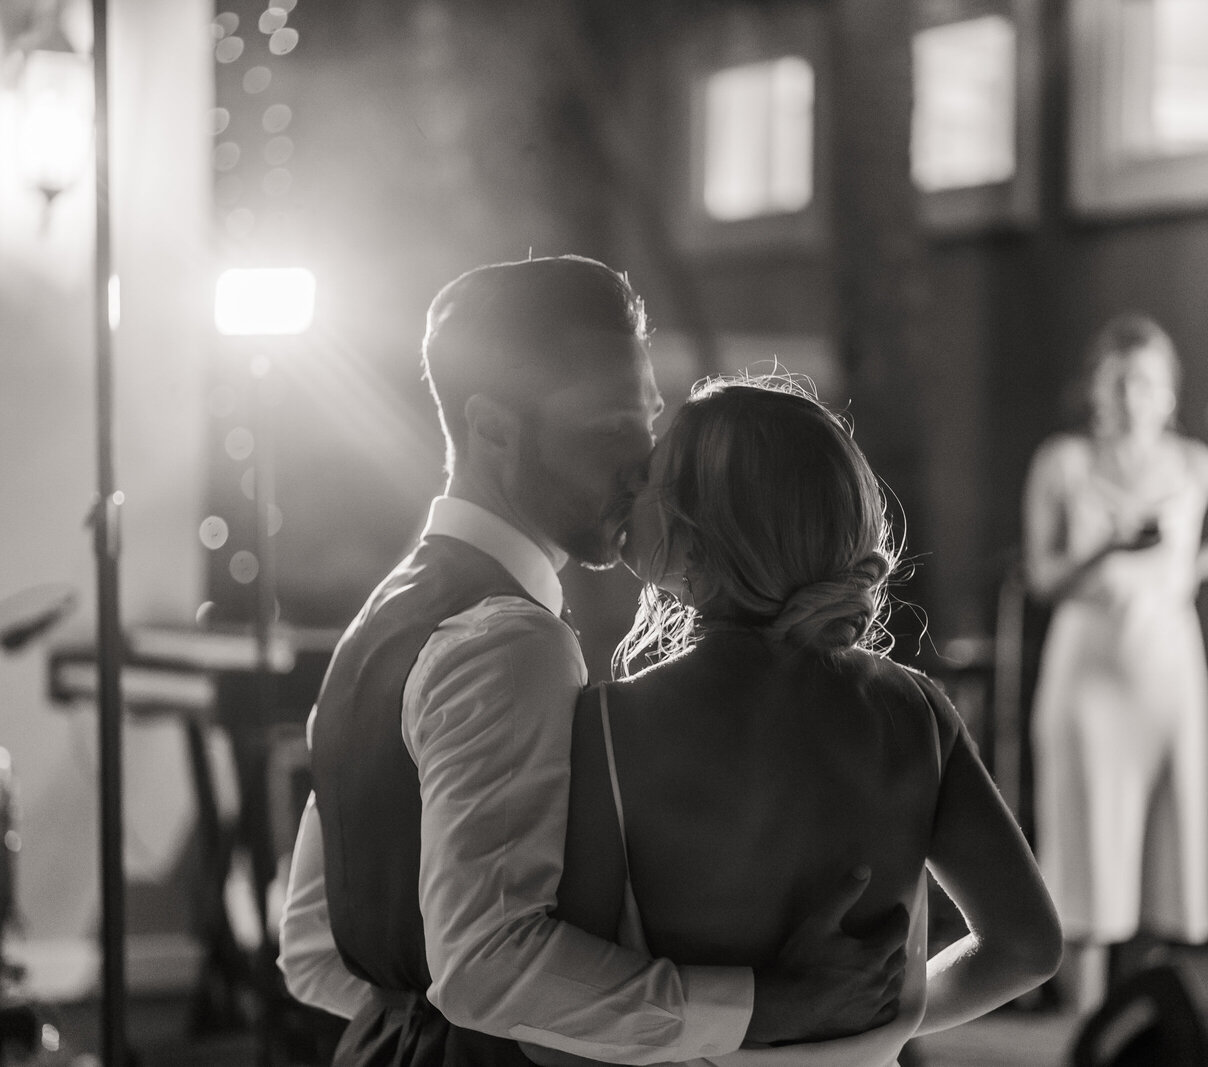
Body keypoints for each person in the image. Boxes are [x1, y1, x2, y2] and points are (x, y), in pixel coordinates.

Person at [282, 255, 906, 1067]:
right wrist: (764, 1006)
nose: (646, 462)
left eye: (646, 421)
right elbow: (485, 966)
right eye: (611, 427)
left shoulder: (381, 619)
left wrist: (409, 1022)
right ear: (494, 427)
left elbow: (309, 946)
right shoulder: (514, 640)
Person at [517, 376, 1062, 1067]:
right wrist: (885, 1017)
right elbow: (1028, 947)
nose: (631, 486)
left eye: (653, 475)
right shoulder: (914, 710)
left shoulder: (608, 728)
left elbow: (557, 1037)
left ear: (697, 535)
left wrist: (746, 1019)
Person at [1021, 313, 1208, 1012]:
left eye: (1146, 381)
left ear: (1169, 393)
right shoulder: (1063, 461)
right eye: (1119, 381)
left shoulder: (1194, 464)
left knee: (1161, 862)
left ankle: (1143, 1024)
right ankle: (1082, 1029)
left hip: (1166, 666)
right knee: (1088, 860)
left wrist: (1190, 566)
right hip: (1088, 668)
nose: (1132, 395)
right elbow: (1043, 577)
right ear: (1097, 390)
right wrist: (1110, 548)